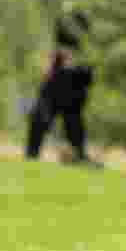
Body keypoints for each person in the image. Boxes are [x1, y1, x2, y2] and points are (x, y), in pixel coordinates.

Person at [25, 13, 99, 166]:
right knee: (39, 119)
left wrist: (73, 66)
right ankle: (32, 156)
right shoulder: (58, 53)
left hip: (72, 91)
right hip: (55, 89)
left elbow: (88, 79)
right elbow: (48, 74)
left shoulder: (82, 56)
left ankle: (78, 156)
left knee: (73, 123)